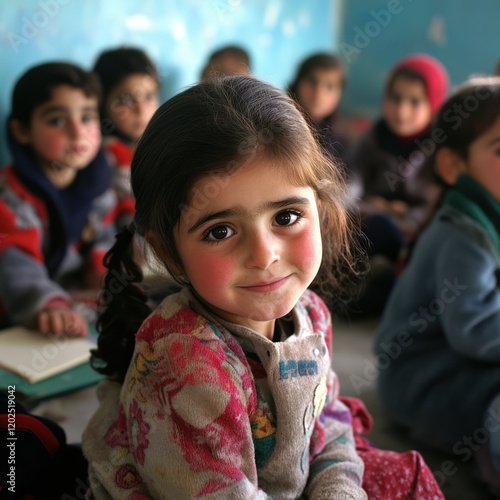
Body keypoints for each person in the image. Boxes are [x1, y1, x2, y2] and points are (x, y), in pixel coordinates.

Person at [82, 75, 444, 499]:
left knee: (408, 478)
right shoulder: (184, 363)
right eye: (220, 231)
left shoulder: (310, 313)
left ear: (320, 207)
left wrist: (339, 492)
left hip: (280, 481)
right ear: (170, 252)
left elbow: (327, 421)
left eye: (287, 217)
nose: (264, 255)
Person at [374, 76, 500, 495]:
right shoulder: (463, 235)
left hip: (456, 363)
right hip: (424, 381)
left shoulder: (485, 218)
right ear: (453, 166)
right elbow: (476, 329)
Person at [0, 62, 119, 336]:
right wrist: (50, 305)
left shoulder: (99, 183)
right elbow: (17, 267)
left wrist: (108, 277)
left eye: (87, 117)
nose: (77, 133)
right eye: (57, 120)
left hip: (74, 302)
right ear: (21, 131)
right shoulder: (11, 198)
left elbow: (103, 240)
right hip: (21, 315)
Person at [350, 53, 449, 317]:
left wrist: (404, 215)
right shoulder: (373, 137)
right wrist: (376, 208)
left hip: (417, 233)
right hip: (370, 223)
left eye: (415, 101)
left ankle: (385, 292)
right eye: (395, 98)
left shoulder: (440, 148)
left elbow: (436, 204)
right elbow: (349, 189)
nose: (402, 110)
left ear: (434, 104)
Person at [93, 46, 160, 228]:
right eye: (126, 100)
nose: (141, 110)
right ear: (102, 103)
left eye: (149, 96)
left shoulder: (157, 146)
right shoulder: (105, 158)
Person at [288, 52, 354, 185]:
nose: (318, 93)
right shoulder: (278, 121)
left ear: (340, 94)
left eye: (329, 86)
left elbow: (349, 183)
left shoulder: (343, 135)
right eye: (312, 82)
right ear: (298, 83)